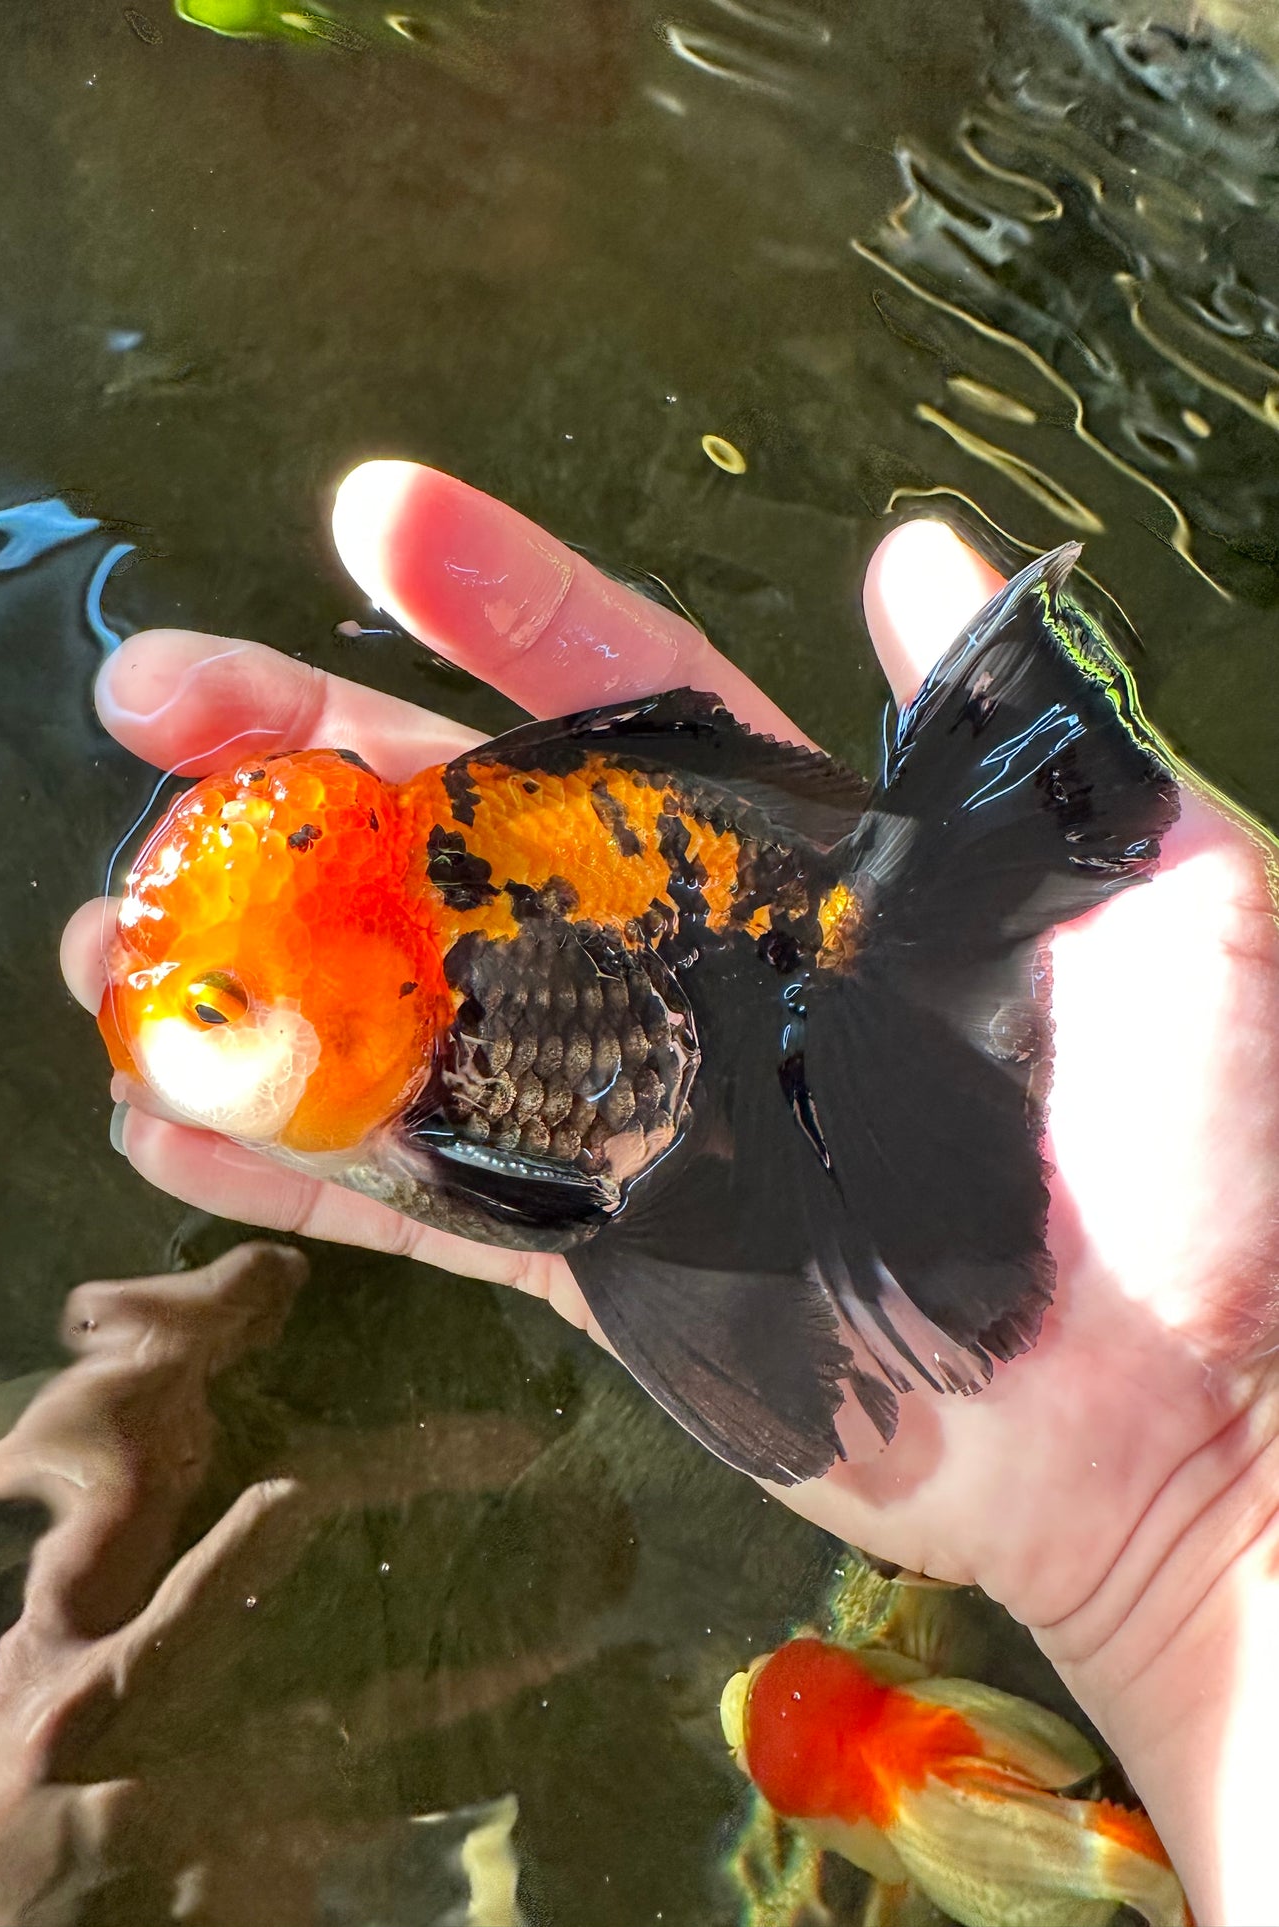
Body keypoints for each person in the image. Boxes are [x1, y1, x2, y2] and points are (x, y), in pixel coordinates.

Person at [62, 461, 1279, 1926]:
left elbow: (569, 1211)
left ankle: (942, 878)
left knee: (658, 1167)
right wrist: (1189, 1539)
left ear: (359, 1002)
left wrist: (1206, 1509)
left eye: (209, 1006)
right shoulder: (398, 1068)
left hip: (733, 978)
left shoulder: (438, 1051)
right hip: (710, 1025)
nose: (163, 1035)